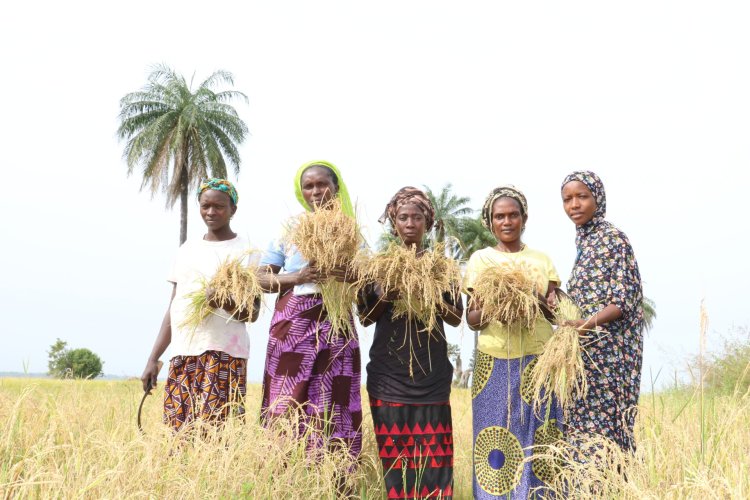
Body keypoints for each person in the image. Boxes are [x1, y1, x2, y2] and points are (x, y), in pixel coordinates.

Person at [358, 187, 462, 499]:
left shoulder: (443, 268)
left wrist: (429, 294)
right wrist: (386, 295)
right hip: (388, 378)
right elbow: (365, 317)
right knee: (396, 463)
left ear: (428, 223)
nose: (410, 223)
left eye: (417, 217)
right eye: (403, 217)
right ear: (394, 223)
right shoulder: (377, 266)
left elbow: (457, 318)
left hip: (432, 377)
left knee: (435, 463)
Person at [257, 160, 362, 462]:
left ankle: (334, 478)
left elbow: (369, 274)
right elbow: (262, 277)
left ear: (336, 187)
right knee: (286, 398)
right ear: (301, 191)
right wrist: (297, 277)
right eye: (309, 186)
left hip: (337, 321)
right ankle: (285, 478)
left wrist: (350, 274)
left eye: (322, 184)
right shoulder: (290, 227)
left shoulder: (351, 230)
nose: (316, 191)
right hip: (294, 323)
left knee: (335, 399)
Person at [464, 185, 563, 499]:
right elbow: (473, 319)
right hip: (494, 360)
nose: (506, 222)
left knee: (539, 435)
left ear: (524, 218)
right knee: (494, 436)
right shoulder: (481, 260)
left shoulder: (541, 260)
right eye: (499, 216)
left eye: (513, 215)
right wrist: (499, 305)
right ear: (490, 222)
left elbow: (555, 315)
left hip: (539, 359)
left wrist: (532, 297)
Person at [141, 178, 258, 432]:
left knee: (219, 435)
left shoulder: (245, 252)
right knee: (178, 432)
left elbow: (252, 312)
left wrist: (223, 302)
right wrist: (153, 358)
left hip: (225, 354)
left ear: (233, 209)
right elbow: (174, 308)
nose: (211, 212)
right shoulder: (187, 250)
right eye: (205, 206)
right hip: (184, 352)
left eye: (219, 206)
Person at [560, 171, 644, 455]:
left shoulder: (613, 240)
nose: (574, 205)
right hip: (585, 357)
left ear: (598, 199)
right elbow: (583, 299)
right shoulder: (584, 242)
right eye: (567, 199)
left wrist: (585, 324)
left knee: (605, 432)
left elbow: (621, 302)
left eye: (582, 197)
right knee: (580, 431)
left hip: (608, 360)